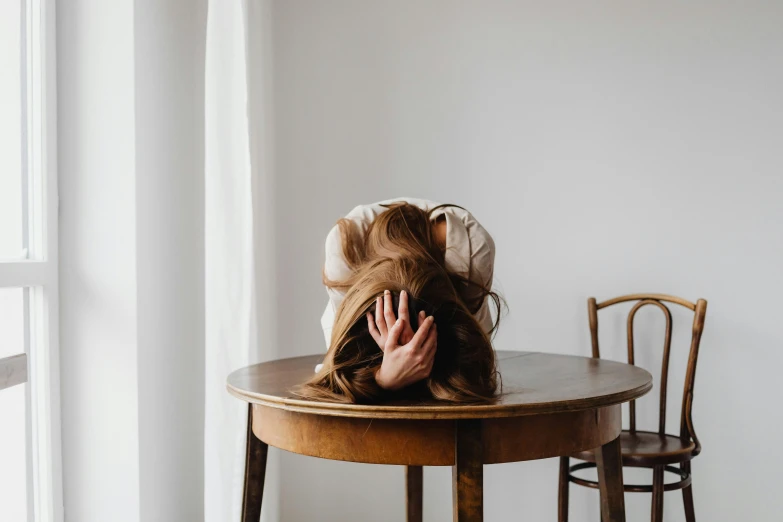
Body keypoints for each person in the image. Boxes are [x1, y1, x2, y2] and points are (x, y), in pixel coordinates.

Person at [298, 197, 501, 404]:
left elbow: (477, 375)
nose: (409, 345)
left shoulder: (470, 252)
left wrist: (430, 359)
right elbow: (334, 375)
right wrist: (382, 379)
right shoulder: (345, 249)